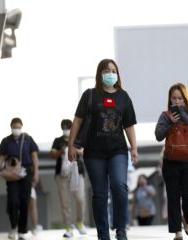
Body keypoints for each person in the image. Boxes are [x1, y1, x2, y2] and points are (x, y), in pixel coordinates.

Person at [68, 59, 139, 240]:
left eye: (113, 70)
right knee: (100, 193)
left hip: (118, 151)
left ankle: (121, 229)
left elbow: (129, 125)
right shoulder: (90, 95)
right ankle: (103, 233)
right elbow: (77, 121)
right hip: (94, 153)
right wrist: (71, 145)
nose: (110, 74)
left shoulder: (123, 97)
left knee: (119, 186)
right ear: (100, 74)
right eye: (107, 71)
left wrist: (134, 148)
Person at [155, 83, 188, 240]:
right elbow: (158, 135)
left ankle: (187, 219)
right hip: (171, 161)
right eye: (174, 98)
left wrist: (182, 115)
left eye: (180, 98)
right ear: (169, 99)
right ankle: (177, 231)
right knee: (173, 196)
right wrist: (170, 123)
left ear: (185, 99)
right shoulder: (165, 115)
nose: (176, 101)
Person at [0, 118, 39, 240]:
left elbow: (34, 156)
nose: (16, 129)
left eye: (18, 127)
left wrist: (36, 173)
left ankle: (22, 230)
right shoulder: (6, 141)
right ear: (10, 127)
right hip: (11, 173)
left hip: (26, 172)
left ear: (22, 127)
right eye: (14, 127)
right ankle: (13, 226)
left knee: (24, 202)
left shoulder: (28, 139)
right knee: (13, 201)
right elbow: (0, 158)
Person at [50, 119, 86, 238]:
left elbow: (84, 152)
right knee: (65, 202)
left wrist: (75, 149)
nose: (66, 129)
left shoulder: (78, 139)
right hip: (62, 174)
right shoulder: (58, 141)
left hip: (77, 172)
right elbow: (52, 154)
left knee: (80, 198)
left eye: (68, 127)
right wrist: (62, 151)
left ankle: (80, 222)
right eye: (64, 127)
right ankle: (68, 226)